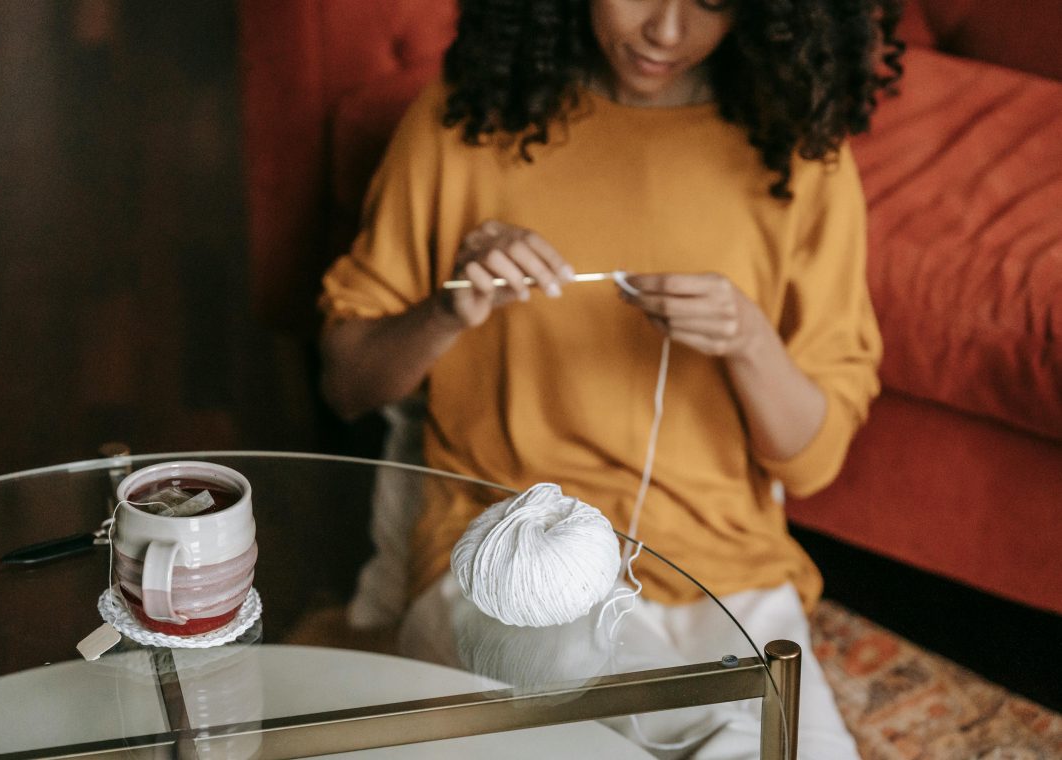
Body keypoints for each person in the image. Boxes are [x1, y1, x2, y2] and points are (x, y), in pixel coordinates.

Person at [319, 0, 904, 757]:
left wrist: (749, 340)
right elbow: (346, 383)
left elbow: (813, 462)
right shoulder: (468, 116)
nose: (666, 30)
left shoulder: (798, 149)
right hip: (511, 560)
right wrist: (447, 309)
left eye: (711, 1)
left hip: (724, 574)